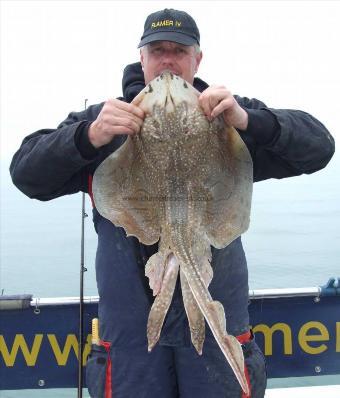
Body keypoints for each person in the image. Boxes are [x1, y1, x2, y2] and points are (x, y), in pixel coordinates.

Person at [10, 8, 334, 398]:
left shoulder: (225, 117)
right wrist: (86, 137)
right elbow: (26, 173)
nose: (167, 60)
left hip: (218, 332)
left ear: (197, 60)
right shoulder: (106, 122)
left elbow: (319, 147)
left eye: (178, 50)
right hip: (132, 347)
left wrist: (249, 120)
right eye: (157, 50)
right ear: (141, 58)